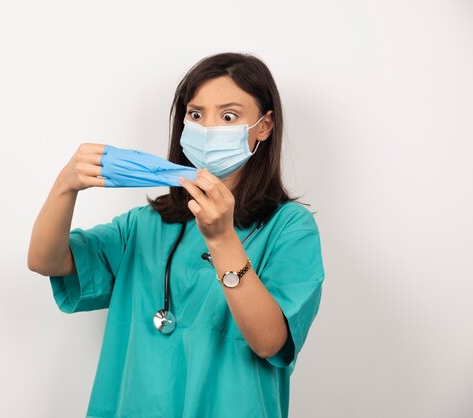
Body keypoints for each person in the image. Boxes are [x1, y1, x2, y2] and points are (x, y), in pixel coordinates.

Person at [27, 52, 325, 418]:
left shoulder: (289, 228)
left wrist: (221, 240)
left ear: (264, 126)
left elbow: (270, 342)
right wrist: (64, 186)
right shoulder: (146, 224)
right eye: (196, 115)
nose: (208, 128)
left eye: (228, 116)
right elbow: (45, 260)